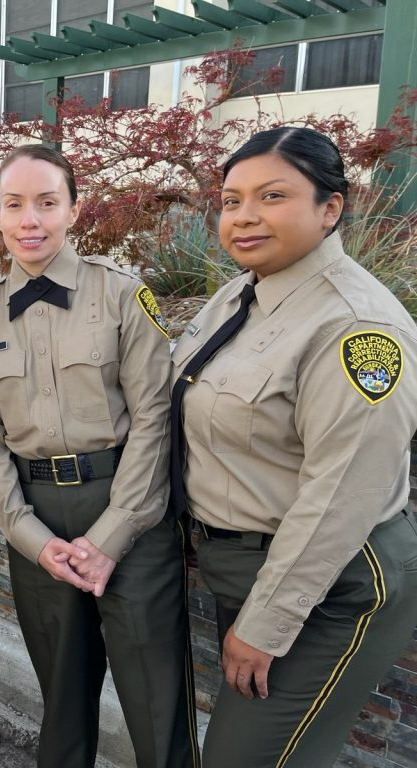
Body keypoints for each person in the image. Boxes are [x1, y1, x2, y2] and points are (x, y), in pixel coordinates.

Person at [170, 127, 417, 767]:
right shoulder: (241, 294)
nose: (245, 216)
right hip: (254, 569)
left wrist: (265, 624)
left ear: (329, 208)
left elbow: (342, 495)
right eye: (232, 199)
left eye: (273, 195)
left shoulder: (357, 327)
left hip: (333, 583)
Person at [0, 144, 198, 768]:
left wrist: (113, 534)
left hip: (130, 512)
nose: (29, 220)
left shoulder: (121, 296)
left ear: (73, 210)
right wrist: (29, 537)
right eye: (14, 205)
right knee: (62, 702)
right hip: (38, 521)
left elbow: (154, 418)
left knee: (155, 702)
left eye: (46, 202)